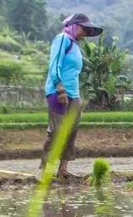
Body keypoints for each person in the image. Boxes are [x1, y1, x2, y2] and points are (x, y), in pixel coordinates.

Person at [40, 13, 103, 180]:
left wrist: (76, 96)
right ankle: (44, 169)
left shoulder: (75, 45)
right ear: (74, 26)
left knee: (71, 131)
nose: (85, 34)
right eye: (84, 29)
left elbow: (74, 73)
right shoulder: (62, 39)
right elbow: (55, 64)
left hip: (73, 94)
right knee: (58, 131)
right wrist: (60, 88)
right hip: (58, 92)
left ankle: (63, 169)